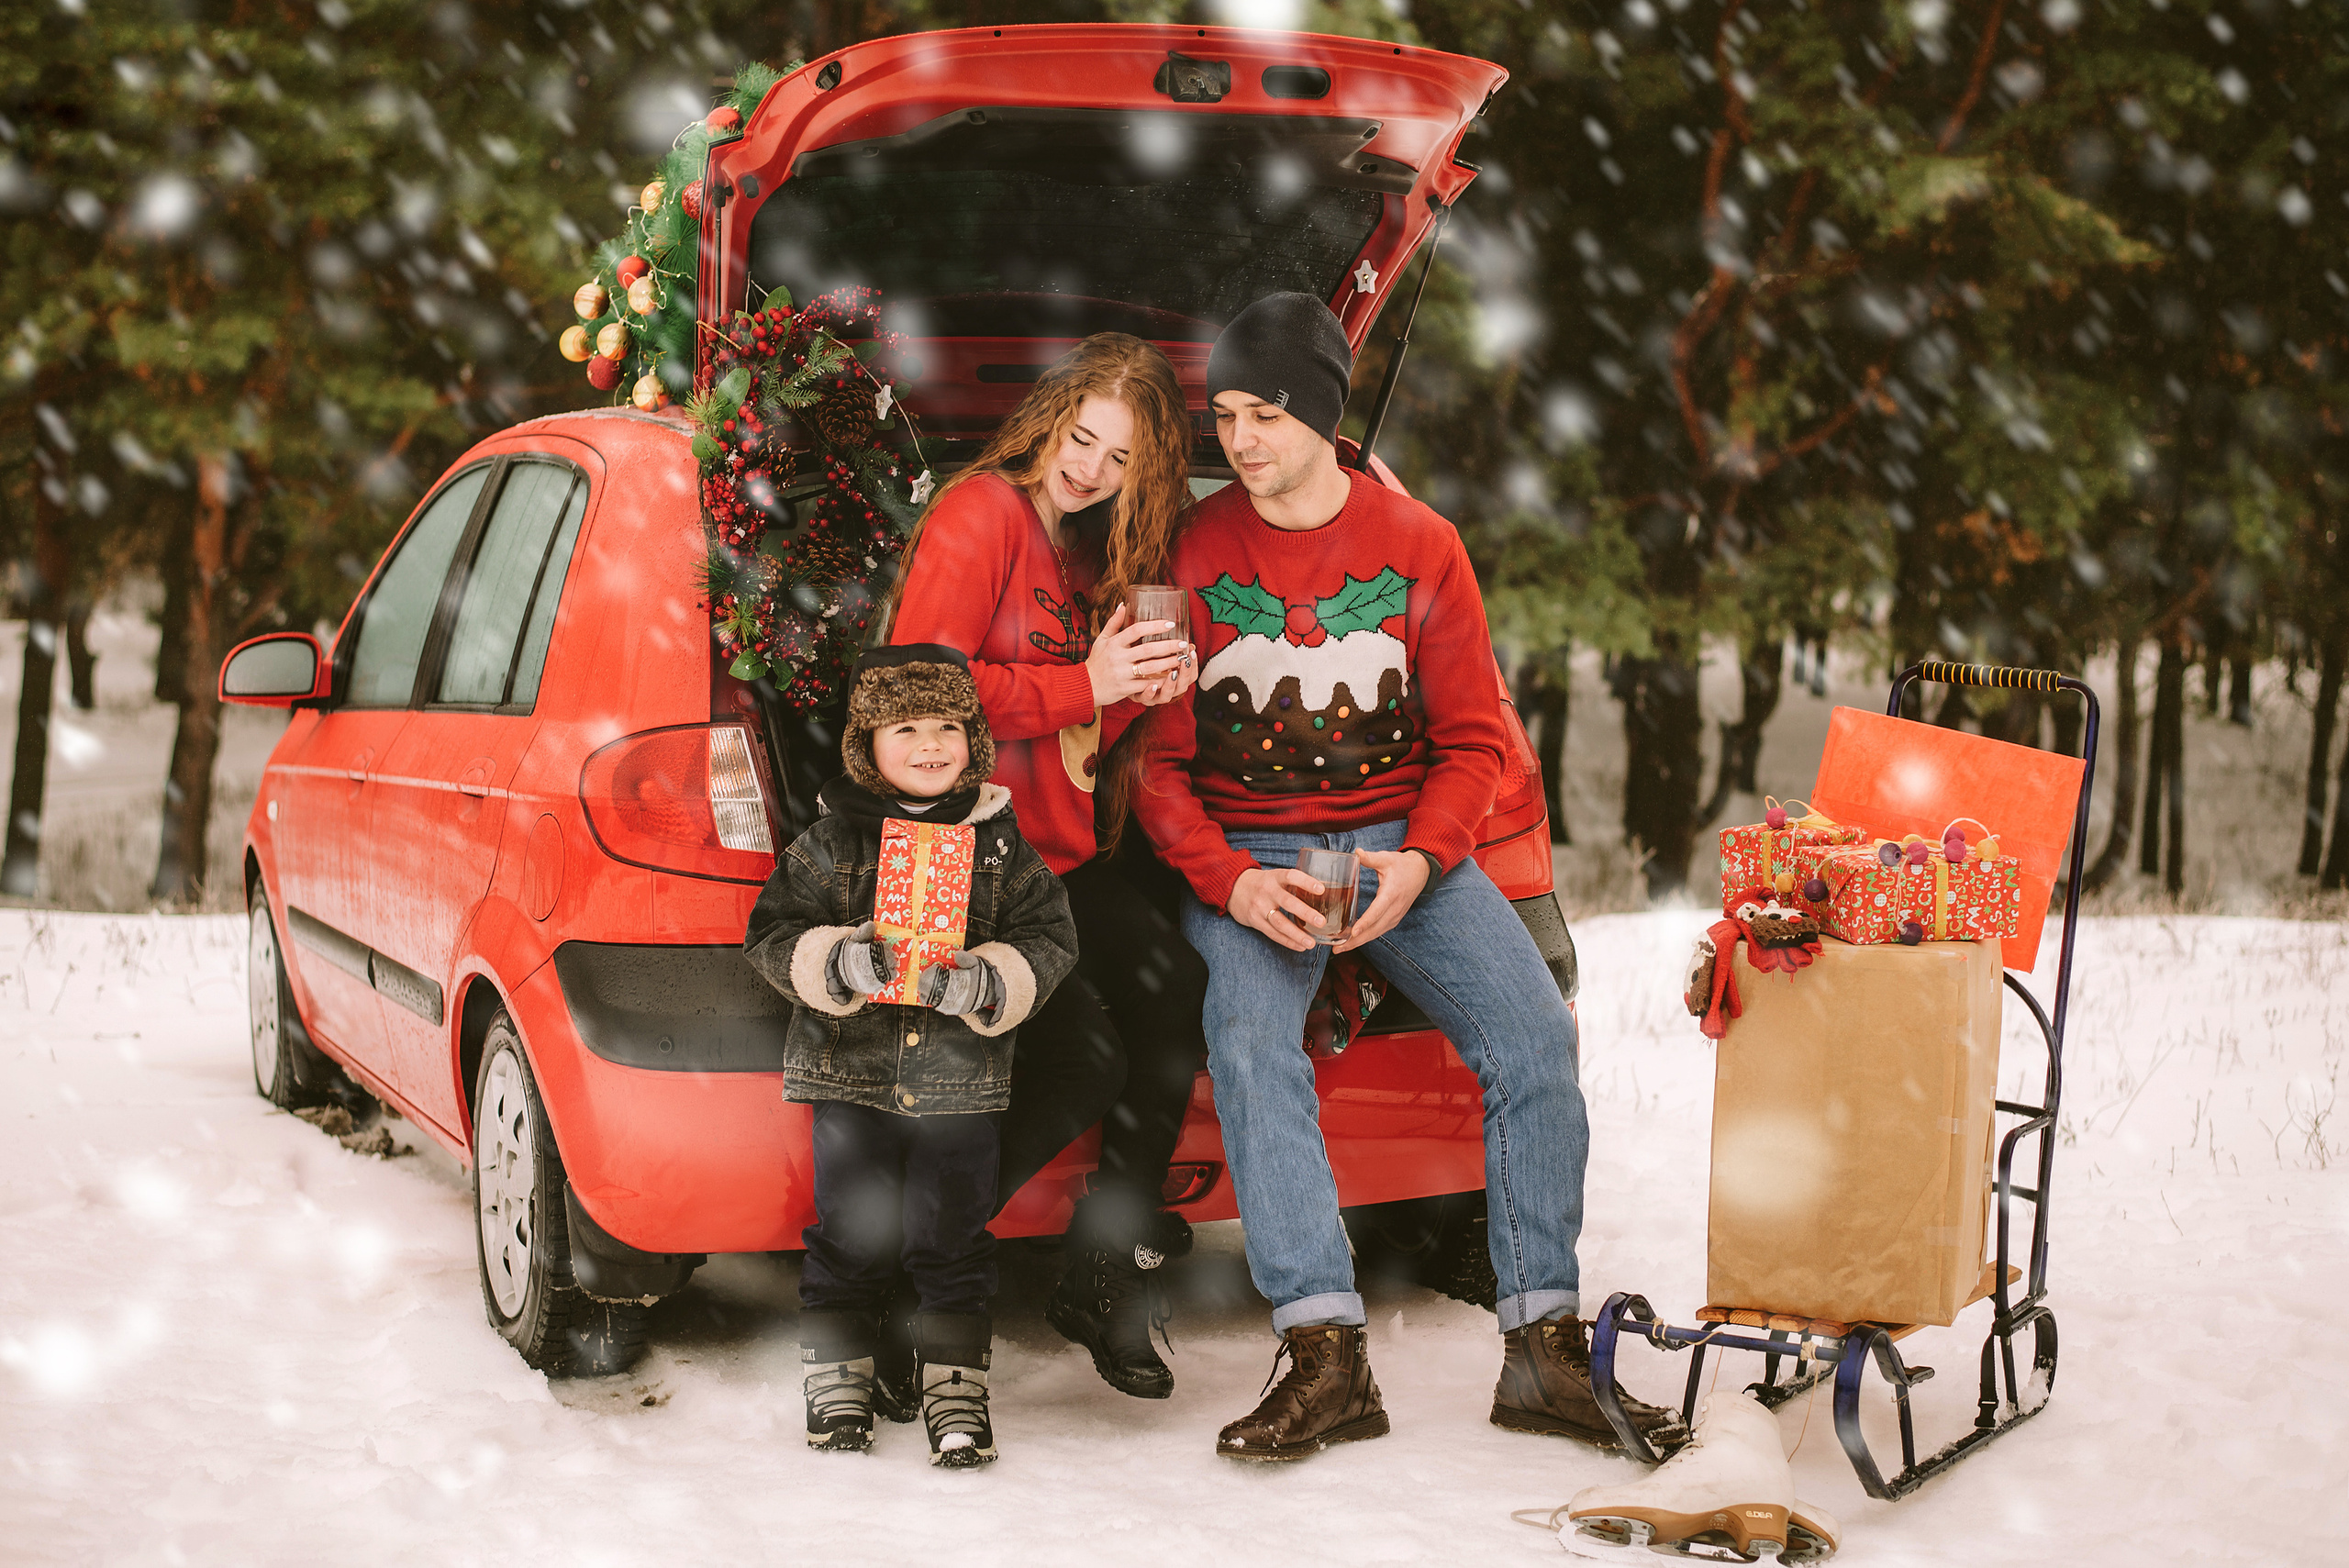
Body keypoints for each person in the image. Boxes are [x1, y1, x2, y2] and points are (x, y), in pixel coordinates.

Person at [1134, 293, 1688, 1462]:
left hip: (1399, 842)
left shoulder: (1420, 545)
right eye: (1226, 414)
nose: (1237, 441)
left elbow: (1476, 741)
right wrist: (1229, 882)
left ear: (1322, 416)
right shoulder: (1189, 552)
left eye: (1264, 413)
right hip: (1252, 852)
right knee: (1249, 1045)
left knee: (1535, 1038)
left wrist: (1421, 859)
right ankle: (1325, 1351)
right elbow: (1157, 764)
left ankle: (1542, 1344)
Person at [885, 332, 1212, 1402]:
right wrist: (1086, 682)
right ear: (1052, 416)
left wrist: (1145, 687)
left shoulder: (1089, 551)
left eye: (1120, 459)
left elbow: (1081, 730)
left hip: (1055, 858)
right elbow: (919, 692)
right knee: (1086, 1059)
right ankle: (903, 1273)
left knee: (1176, 991)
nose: (1090, 469)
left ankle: (1099, 1269)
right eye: (1082, 440)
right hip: (969, 860)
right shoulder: (982, 515)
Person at [743, 644, 1078, 1467]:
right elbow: (770, 935)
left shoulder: (999, 846)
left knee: (954, 1240)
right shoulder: (831, 842)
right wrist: (839, 962)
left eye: (949, 725)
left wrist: (990, 982)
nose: (931, 744)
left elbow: (1050, 937)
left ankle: (955, 1390)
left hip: (961, 1087)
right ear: (867, 745)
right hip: (850, 1080)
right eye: (906, 726)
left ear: (974, 739)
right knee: (848, 1238)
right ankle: (838, 1381)